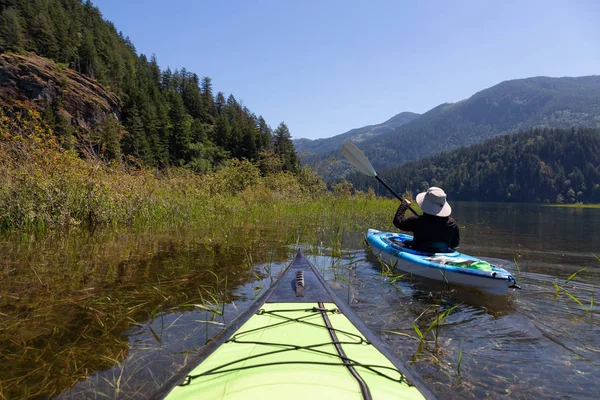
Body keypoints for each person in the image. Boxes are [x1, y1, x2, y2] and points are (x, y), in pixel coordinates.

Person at [393, 187, 460, 253]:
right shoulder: (452, 224)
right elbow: (455, 244)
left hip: (418, 251)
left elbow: (397, 221)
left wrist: (404, 205)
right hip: (441, 254)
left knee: (396, 242)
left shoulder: (417, 221)